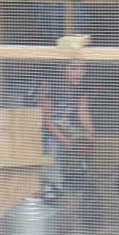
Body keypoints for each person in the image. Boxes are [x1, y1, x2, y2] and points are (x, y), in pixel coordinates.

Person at [39, 57, 95, 198]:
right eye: (73, 68)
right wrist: (65, 141)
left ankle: (74, 185)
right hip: (47, 128)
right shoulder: (50, 86)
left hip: (65, 125)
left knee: (81, 146)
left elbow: (83, 110)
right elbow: (46, 120)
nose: (79, 73)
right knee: (51, 150)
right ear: (62, 69)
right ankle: (51, 188)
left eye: (82, 68)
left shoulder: (82, 86)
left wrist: (90, 133)